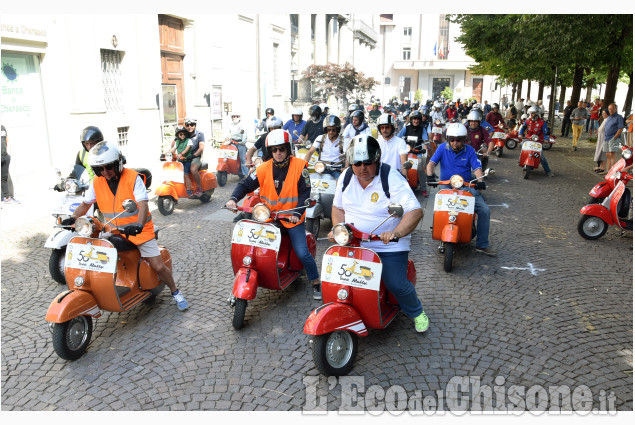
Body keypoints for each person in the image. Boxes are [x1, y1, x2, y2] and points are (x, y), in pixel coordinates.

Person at [61, 141, 189, 310]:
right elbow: (85, 204)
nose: (105, 172)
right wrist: (73, 217)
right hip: (112, 229)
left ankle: (175, 291)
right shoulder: (97, 182)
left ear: (118, 164)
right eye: (100, 169)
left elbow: (142, 204)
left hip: (138, 231)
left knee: (157, 265)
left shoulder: (132, 178)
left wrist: (139, 225)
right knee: (93, 251)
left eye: (109, 167)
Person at [330, 135, 429, 333]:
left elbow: (415, 211)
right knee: (335, 276)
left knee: (396, 282)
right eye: (357, 163)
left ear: (377, 160)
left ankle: (417, 312)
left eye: (368, 162)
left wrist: (396, 232)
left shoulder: (391, 177)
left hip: (387, 244)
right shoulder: (346, 176)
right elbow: (337, 207)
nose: (362, 168)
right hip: (354, 241)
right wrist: (338, 228)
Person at [225, 129, 321, 299]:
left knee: (301, 252)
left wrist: (297, 214)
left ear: (288, 148)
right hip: (268, 217)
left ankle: (315, 281)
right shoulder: (262, 168)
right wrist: (233, 199)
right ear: (270, 151)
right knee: (253, 244)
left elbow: (305, 193)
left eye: (281, 149)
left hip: (291, 218)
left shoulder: (300, 167)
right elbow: (245, 184)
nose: (278, 153)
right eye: (274, 150)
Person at [426, 123, 495, 256]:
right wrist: (429, 176)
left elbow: (477, 169)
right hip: (446, 185)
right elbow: (431, 164)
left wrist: (480, 181)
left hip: (466, 186)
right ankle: (440, 230)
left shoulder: (469, 151)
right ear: (448, 139)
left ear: (464, 140)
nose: (455, 143)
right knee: (439, 208)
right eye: (452, 139)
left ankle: (482, 244)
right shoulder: (442, 148)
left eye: (458, 140)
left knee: (485, 210)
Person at [303, 115, 344, 179]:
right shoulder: (320, 138)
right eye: (329, 129)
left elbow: (347, 156)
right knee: (312, 181)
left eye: (333, 130)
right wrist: (303, 166)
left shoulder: (343, 140)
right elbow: (310, 152)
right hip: (321, 168)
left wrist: (345, 168)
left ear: (338, 129)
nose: (331, 132)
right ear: (325, 129)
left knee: (339, 185)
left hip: (337, 169)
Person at [519, 106, 554, 177]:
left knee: (541, 156)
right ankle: (522, 162)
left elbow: (545, 132)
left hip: (538, 141)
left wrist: (546, 138)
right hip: (528, 139)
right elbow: (523, 128)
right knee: (522, 145)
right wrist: (520, 134)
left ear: (537, 113)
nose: (531, 115)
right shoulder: (527, 120)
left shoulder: (542, 122)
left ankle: (548, 171)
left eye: (533, 113)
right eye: (530, 113)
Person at [376, 113, 409, 178]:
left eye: (387, 127)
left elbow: (404, 162)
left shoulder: (400, 142)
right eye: (382, 127)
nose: (384, 130)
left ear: (392, 128)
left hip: (396, 176)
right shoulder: (376, 143)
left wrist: (404, 178)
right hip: (379, 177)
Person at [169, 126, 194, 194]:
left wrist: (181, 154)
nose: (182, 135)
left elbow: (187, 148)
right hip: (180, 161)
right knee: (176, 173)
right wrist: (167, 153)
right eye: (180, 134)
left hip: (187, 160)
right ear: (178, 135)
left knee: (185, 174)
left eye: (183, 134)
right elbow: (173, 149)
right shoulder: (177, 141)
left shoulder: (188, 140)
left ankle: (189, 190)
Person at [184, 117, 205, 197]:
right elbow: (174, 142)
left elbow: (201, 148)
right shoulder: (183, 134)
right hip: (184, 157)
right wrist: (165, 152)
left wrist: (193, 155)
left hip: (196, 158)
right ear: (185, 126)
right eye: (188, 125)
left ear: (195, 125)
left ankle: (199, 187)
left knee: (193, 169)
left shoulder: (200, 134)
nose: (190, 127)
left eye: (192, 125)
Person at [603, 102, 625, 171]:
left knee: (612, 154)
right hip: (606, 138)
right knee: (608, 155)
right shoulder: (609, 117)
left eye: (612, 109)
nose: (611, 110)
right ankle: (608, 170)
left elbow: (620, 128)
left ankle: (612, 171)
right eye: (609, 109)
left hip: (613, 138)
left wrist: (614, 138)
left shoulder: (619, 117)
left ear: (616, 109)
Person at [1, 124, 18, 204]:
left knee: (6, 176)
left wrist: (7, 154)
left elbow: (6, 140)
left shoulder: (2, 128)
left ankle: (9, 196)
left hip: (3, 155)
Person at [227, 112, 248, 178]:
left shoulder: (242, 125)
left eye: (236, 116)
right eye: (233, 116)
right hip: (233, 143)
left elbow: (244, 134)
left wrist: (242, 142)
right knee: (229, 157)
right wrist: (227, 138)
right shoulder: (230, 125)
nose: (235, 118)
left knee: (242, 159)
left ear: (239, 117)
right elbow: (228, 133)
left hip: (240, 143)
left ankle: (246, 174)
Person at [593, 109, 608, 173]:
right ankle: (600, 166)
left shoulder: (608, 120)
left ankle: (603, 167)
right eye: (602, 113)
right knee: (600, 152)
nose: (603, 115)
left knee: (603, 153)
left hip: (604, 138)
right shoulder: (605, 120)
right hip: (600, 138)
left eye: (604, 113)